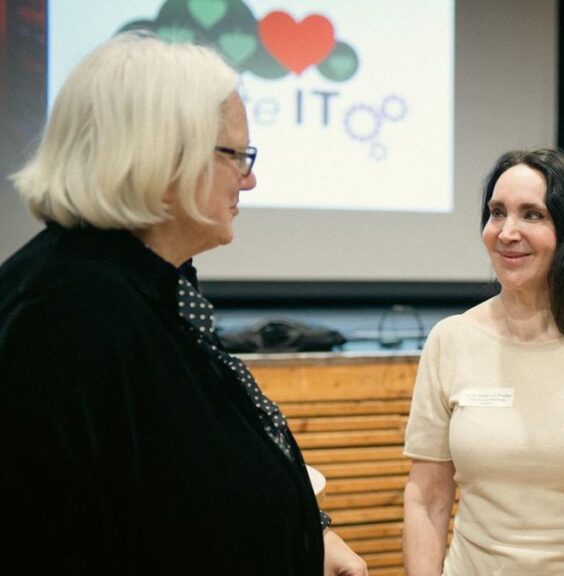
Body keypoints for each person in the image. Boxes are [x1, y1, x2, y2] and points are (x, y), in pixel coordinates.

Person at [0, 32, 367, 576]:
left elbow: (187, 472)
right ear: (163, 157)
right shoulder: (65, 314)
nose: (250, 178)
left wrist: (308, 535)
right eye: (237, 155)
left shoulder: (140, 288)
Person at [402, 148, 564, 575]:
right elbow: (426, 500)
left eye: (532, 215)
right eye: (496, 213)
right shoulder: (450, 340)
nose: (507, 231)